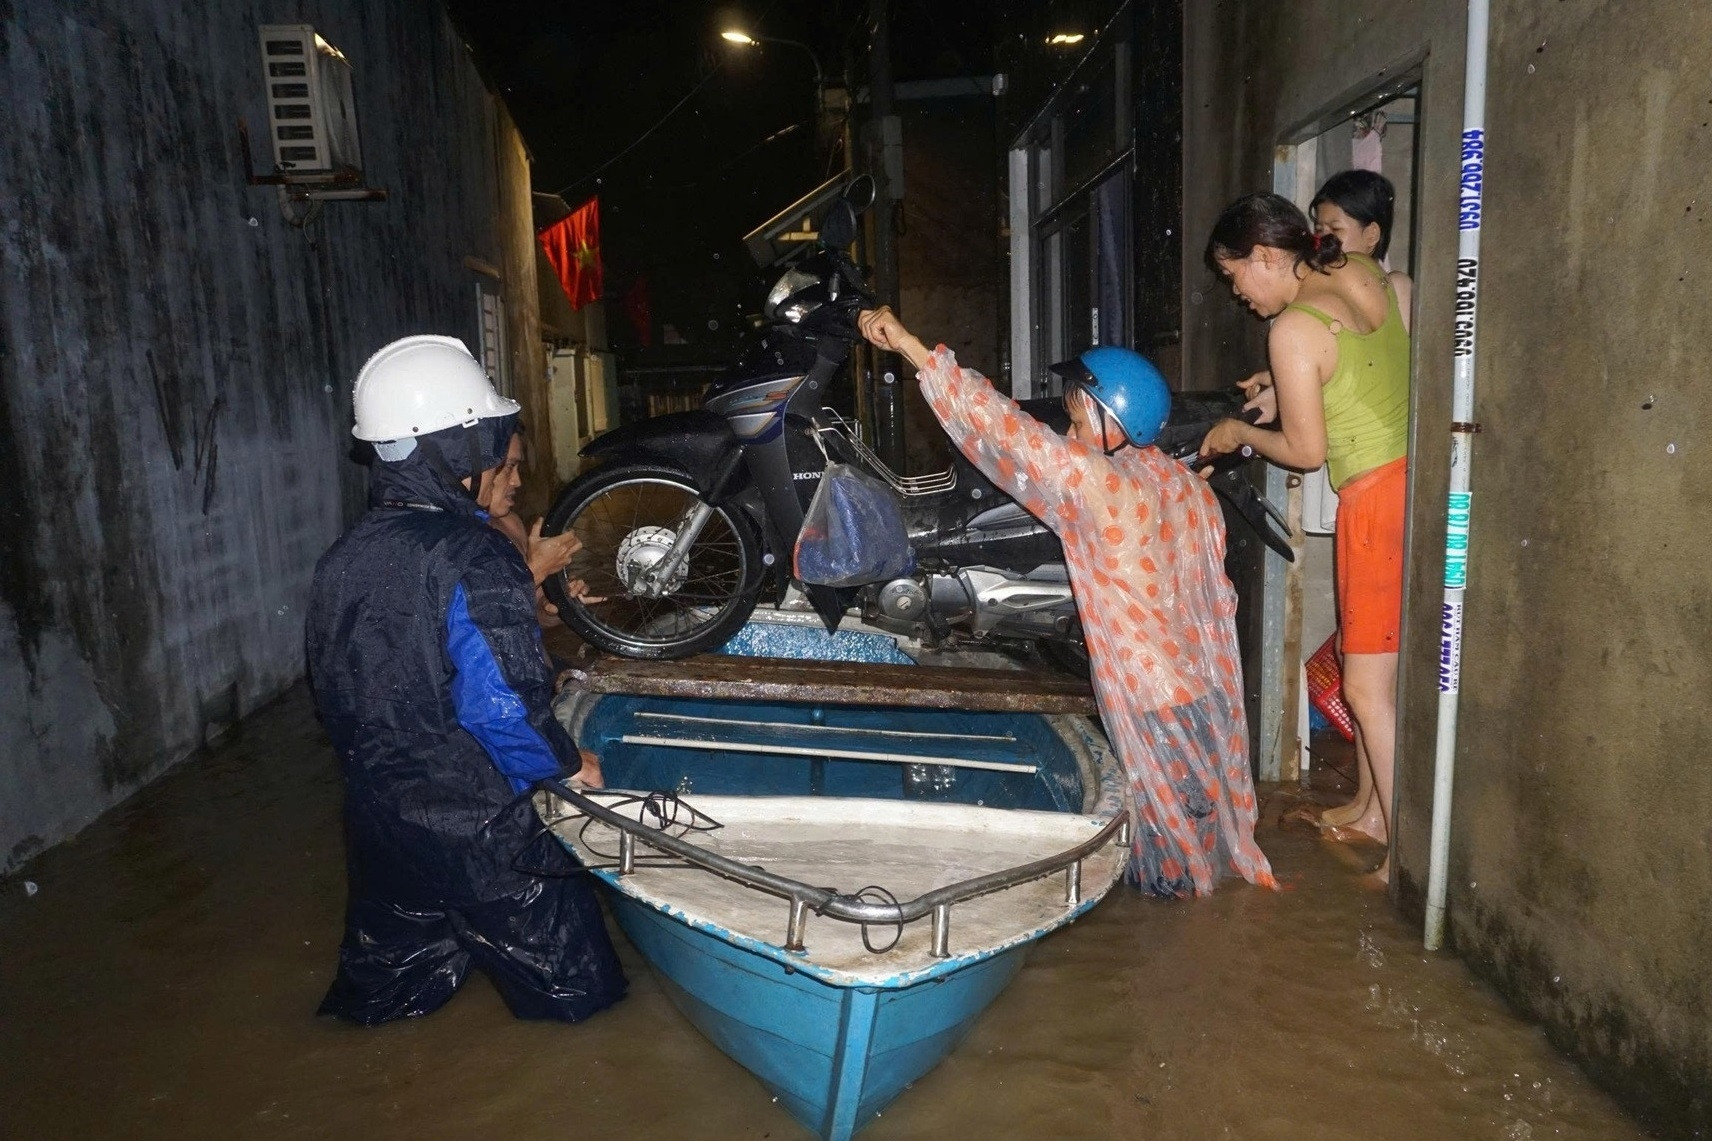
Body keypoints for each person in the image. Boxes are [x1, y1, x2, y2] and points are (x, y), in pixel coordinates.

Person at [858, 308, 1275, 898]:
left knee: (1171, 876)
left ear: (1118, 421)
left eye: (1080, 421)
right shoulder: (1181, 486)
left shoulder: (1106, 487)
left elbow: (1003, 429)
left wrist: (909, 345)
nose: (1072, 436)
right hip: (1202, 696)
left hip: (1154, 705)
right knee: (1199, 850)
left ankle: (1183, 962)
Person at [307, 334, 627, 1024]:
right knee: (582, 1003)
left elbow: (340, 693)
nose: (506, 470)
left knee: (381, 1003)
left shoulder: (342, 557)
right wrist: (567, 764)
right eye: (491, 449)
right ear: (453, 452)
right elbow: (501, 708)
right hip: (484, 836)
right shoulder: (475, 556)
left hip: (380, 826)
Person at [1199, 192, 1410, 883]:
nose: (1238, 294)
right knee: (1375, 669)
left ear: (1266, 256)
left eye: (1236, 276)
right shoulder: (1360, 270)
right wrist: (1280, 388)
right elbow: (1362, 363)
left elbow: (1305, 448)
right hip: (1414, 478)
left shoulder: (1291, 328)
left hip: (1374, 499)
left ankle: (1404, 856)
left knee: (1366, 683)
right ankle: (1376, 812)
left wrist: (1237, 432)